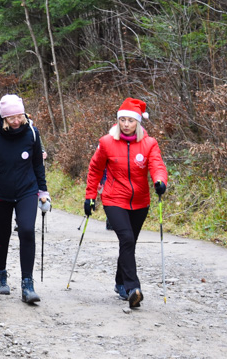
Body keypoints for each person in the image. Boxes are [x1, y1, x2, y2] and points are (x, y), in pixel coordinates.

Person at [85, 97, 168, 309]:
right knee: (127, 238)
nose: (126, 124)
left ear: (138, 123)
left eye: (130, 121)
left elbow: (157, 165)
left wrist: (160, 181)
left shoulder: (149, 144)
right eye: (122, 120)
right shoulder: (107, 143)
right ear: (118, 121)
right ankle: (133, 288)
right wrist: (90, 196)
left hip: (140, 201)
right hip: (114, 198)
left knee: (128, 243)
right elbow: (95, 169)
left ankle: (120, 282)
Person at [0, 94, 50, 304]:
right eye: (11, 117)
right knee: (3, 234)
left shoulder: (32, 133)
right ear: (3, 117)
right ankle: (1, 274)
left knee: (26, 231)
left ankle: (28, 284)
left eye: (19, 116)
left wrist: (43, 193)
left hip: (27, 191)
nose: (16, 121)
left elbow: (37, 165)